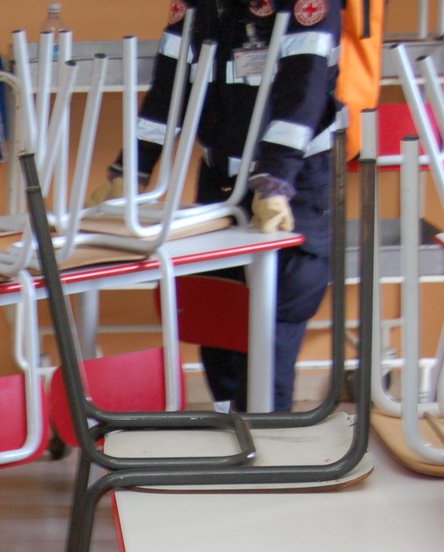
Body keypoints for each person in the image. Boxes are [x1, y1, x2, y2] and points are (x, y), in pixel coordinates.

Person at [90, 0, 343, 412]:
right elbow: (168, 89)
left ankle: (267, 431)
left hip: (294, 179)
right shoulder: (197, 5)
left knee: (276, 312)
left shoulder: (305, 6)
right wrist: (131, 170)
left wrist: (274, 180)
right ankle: (228, 422)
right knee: (217, 306)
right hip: (222, 178)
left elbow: (304, 93)